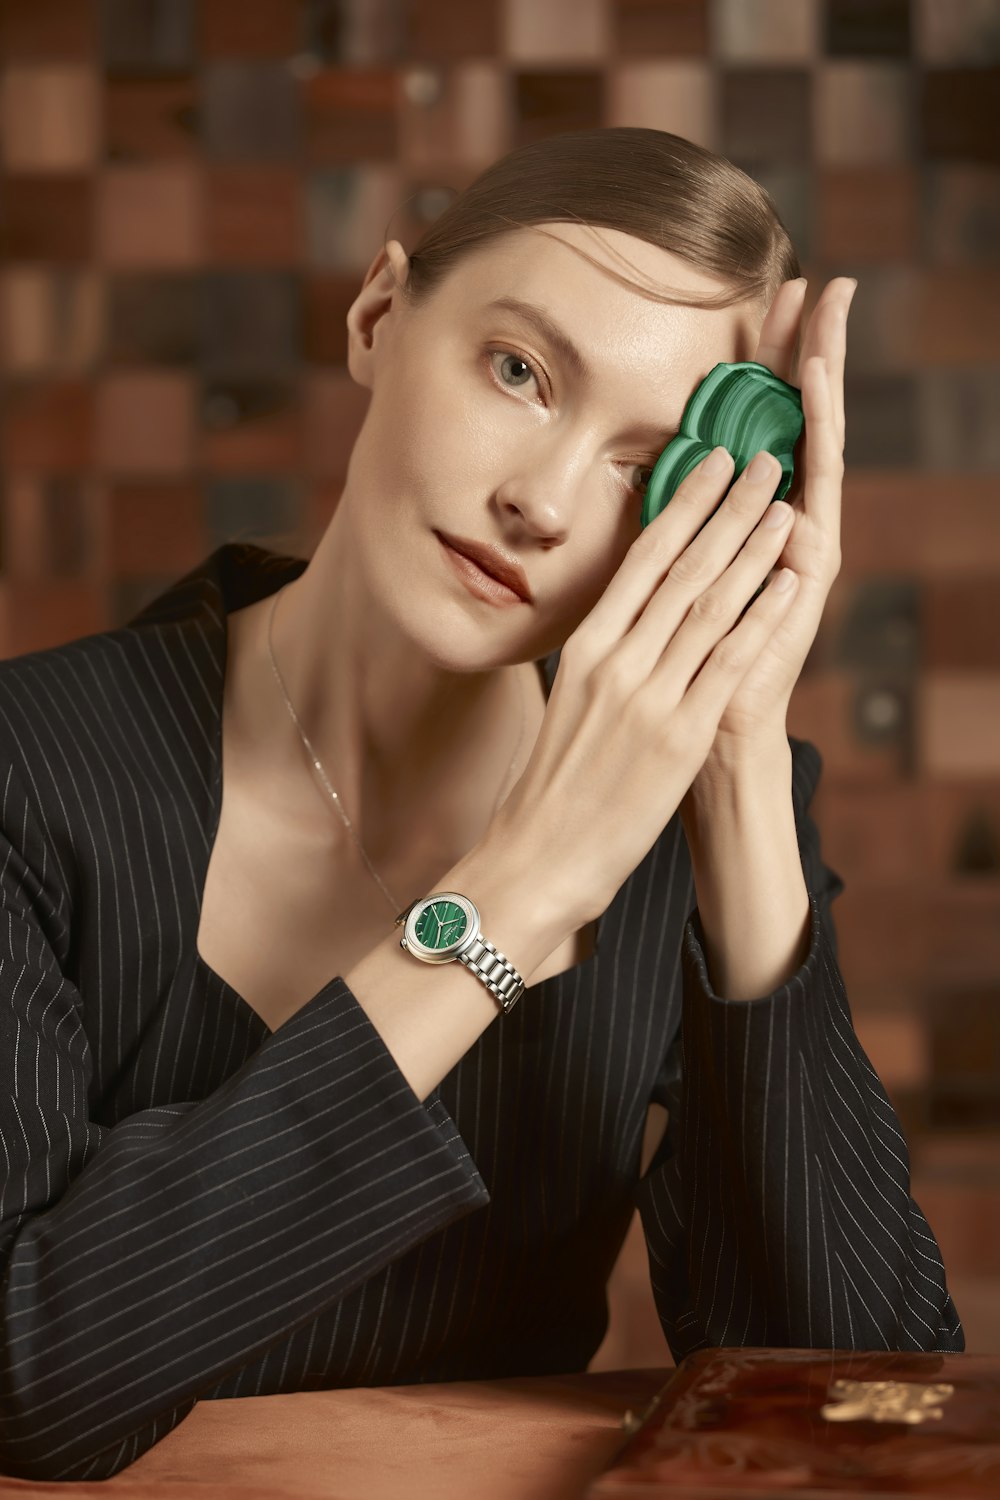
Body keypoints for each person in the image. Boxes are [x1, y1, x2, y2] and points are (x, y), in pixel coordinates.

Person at [0, 127, 962, 1482]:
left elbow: (863, 1409)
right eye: (521, 372)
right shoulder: (26, 770)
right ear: (382, 316)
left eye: (647, 466)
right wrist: (519, 891)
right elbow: (35, 1378)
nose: (542, 502)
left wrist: (739, 763)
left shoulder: (693, 818)